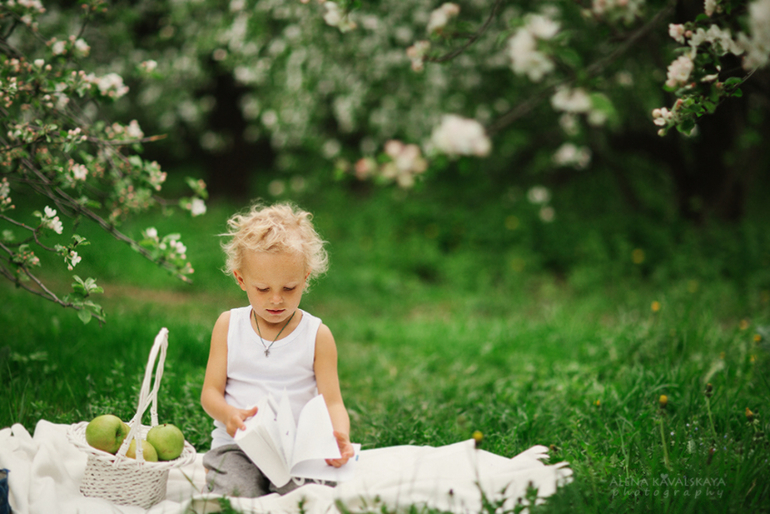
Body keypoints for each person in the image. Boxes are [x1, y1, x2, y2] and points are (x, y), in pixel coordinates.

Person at [200, 202, 354, 497]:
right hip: (238, 445)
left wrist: (340, 435)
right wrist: (229, 415)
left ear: (306, 278)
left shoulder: (317, 335)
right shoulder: (228, 326)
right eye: (263, 289)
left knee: (307, 498)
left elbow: (332, 402)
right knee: (232, 495)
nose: (276, 300)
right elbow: (210, 394)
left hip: (296, 448)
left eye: (289, 288)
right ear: (241, 279)